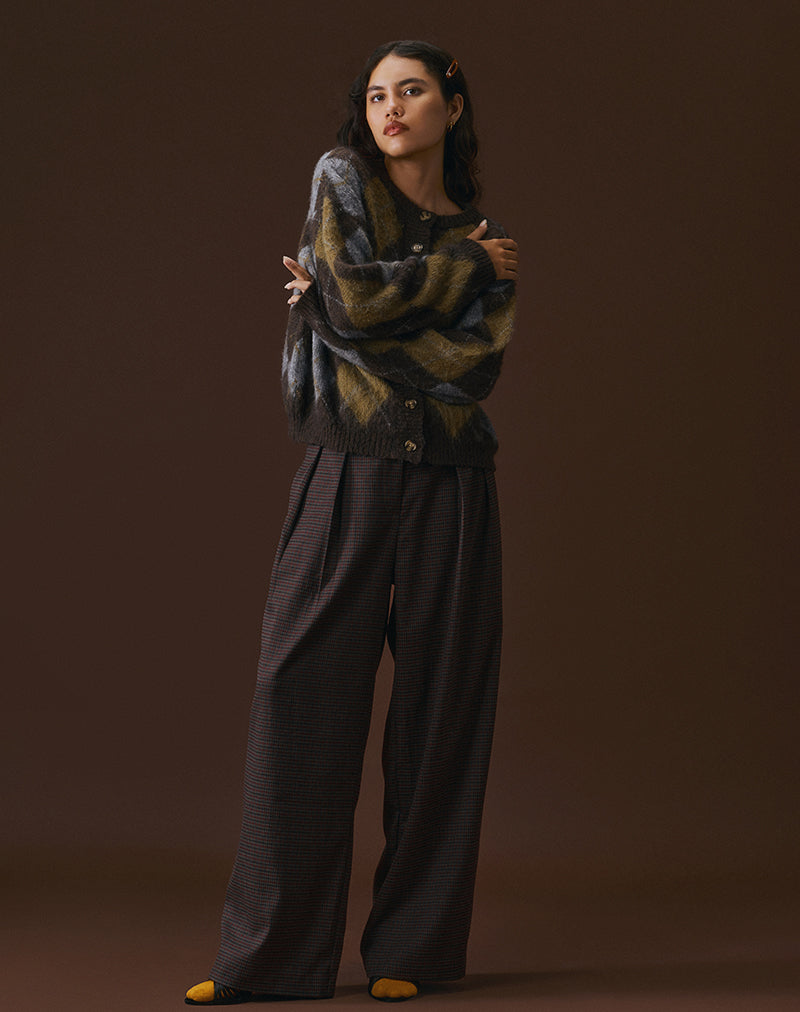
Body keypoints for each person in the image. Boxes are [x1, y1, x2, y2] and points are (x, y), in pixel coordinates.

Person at [185, 39, 518, 1006]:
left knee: (443, 713)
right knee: (299, 698)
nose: (391, 109)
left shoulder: (490, 236)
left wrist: (334, 310)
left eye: (411, 91)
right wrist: (441, 276)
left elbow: (469, 371)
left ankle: (412, 948)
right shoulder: (344, 181)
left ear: (453, 104)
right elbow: (355, 299)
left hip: (455, 484)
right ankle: (271, 959)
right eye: (377, 95)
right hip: (347, 473)